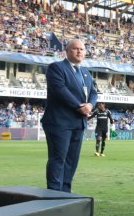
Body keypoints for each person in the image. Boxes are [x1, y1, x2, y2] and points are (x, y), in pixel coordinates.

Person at [40, 38, 98, 192]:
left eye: (82, 49)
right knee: (58, 158)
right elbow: (60, 90)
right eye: (75, 48)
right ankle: (53, 192)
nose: (79, 51)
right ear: (67, 51)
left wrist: (90, 105)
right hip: (59, 122)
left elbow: (93, 92)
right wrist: (80, 106)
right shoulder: (56, 68)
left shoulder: (85, 73)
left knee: (72, 160)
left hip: (78, 123)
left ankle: (65, 192)